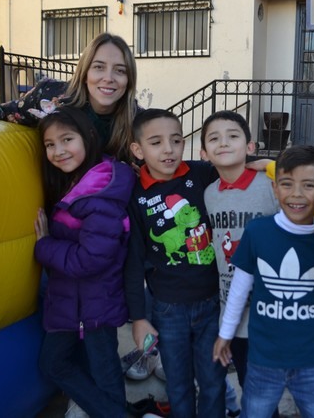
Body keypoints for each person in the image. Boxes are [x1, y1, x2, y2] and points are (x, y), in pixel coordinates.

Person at [214, 145, 314, 418]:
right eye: (286, 185)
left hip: (313, 360)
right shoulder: (258, 231)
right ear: (275, 189)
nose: (296, 194)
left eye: (308, 186)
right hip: (263, 359)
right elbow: (239, 288)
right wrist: (225, 333)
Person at [33, 106, 135, 418]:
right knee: (62, 366)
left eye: (66, 140)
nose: (58, 151)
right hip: (73, 303)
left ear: (88, 138)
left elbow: (90, 259)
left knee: (98, 376)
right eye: (50, 144)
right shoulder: (79, 182)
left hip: (94, 308)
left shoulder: (100, 193)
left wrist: (45, 246)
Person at [124, 108, 226, 418]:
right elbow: (133, 260)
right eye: (156, 142)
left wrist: (268, 166)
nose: (169, 149)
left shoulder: (202, 173)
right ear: (138, 150)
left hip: (212, 305)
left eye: (176, 140)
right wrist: (139, 318)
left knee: (213, 382)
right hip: (168, 310)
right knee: (179, 385)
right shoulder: (135, 195)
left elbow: (239, 173)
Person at [0, 32, 139, 162]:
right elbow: (4, 112)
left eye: (120, 71)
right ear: (85, 73)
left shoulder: (137, 122)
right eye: (98, 67)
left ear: (128, 80)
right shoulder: (50, 95)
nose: (108, 78)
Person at [200, 111, 280, 410]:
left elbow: (308, 197)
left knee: (274, 388)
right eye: (214, 138)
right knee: (251, 387)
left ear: (250, 146)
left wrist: (275, 168)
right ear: (204, 153)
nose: (223, 143)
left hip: (271, 308)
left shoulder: (271, 185)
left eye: (233, 136)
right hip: (233, 310)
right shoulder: (209, 195)